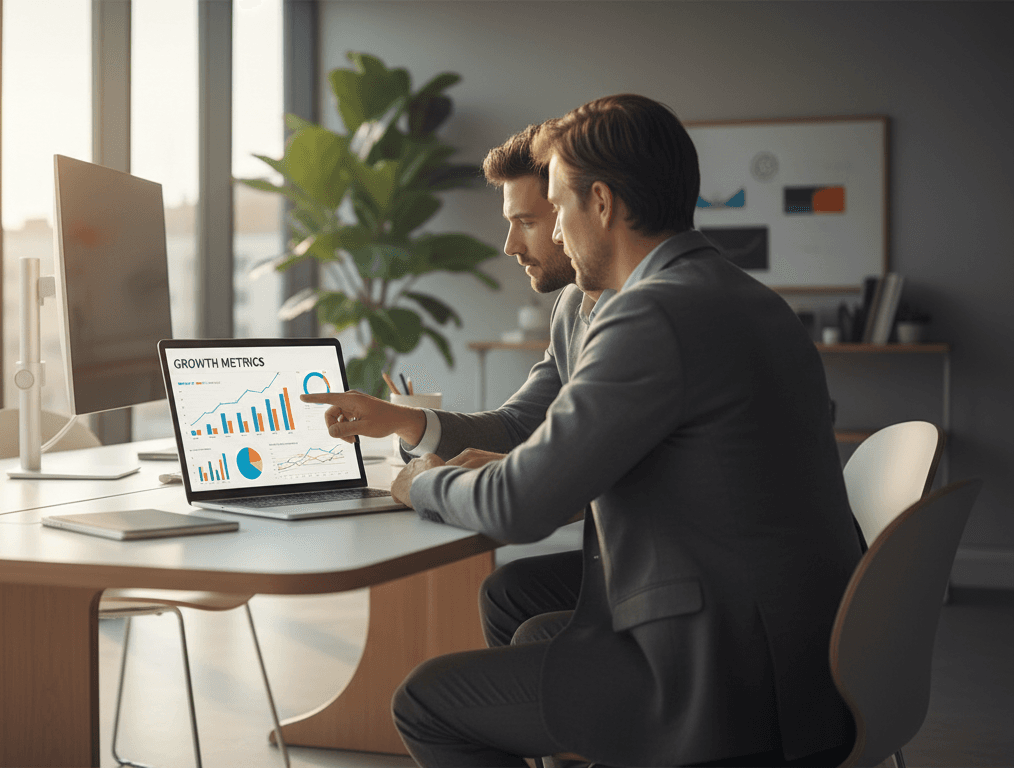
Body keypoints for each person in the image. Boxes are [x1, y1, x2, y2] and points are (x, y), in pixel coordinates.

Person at [306, 94, 861, 767]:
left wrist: (422, 483)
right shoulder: (742, 294)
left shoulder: (651, 314)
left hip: (724, 676)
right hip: (805, 649)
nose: (557, 233)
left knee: (424, 701)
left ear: (600, 203)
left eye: (560, 207)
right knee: (527, 609)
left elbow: (518, 506)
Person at [302, 121, 601, 650]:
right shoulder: (574, 305)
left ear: (580, 207)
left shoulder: (644, 316)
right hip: (621, 553)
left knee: (433, 693)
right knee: (509, 591)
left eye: (527, 221)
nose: (510, 244)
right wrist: (401, 420)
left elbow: (549, 488)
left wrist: (424, 485)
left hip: (673, 576)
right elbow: (518, 426)